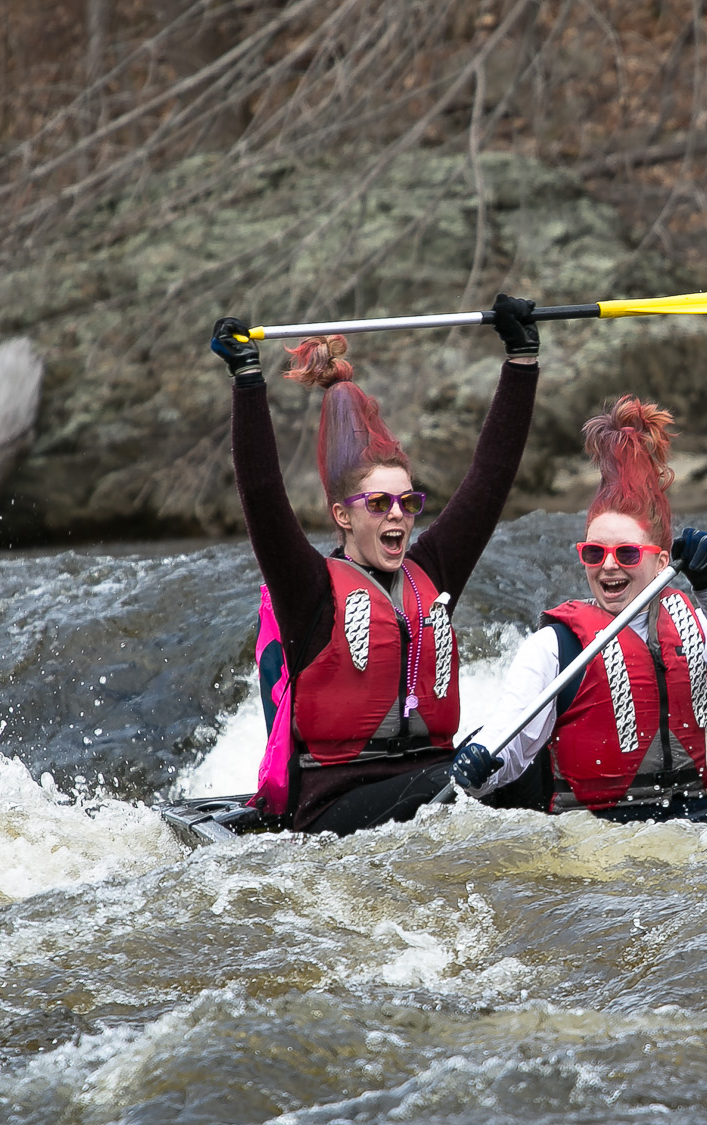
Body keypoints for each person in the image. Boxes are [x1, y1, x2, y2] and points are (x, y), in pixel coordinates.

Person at [208, 296, 539, 835]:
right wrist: (247, 379)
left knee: (525, 757)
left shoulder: (432, 570)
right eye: (379, 504)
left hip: (431, 782)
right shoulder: (309, 590)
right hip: (334, 805)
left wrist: (521, 360)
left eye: (408, 504)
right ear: (342, 515)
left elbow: (491, 477)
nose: (398, 517)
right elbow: (264, 495)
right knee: (470, 781)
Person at [446, 396, 707, 829]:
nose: (609, 565)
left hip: (700, 815)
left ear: (661, 562)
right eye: (595, 553)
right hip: (600, 832)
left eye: (627, 553)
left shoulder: (692, 621)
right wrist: (478, 770)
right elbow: (510, 750)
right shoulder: (554, 648)